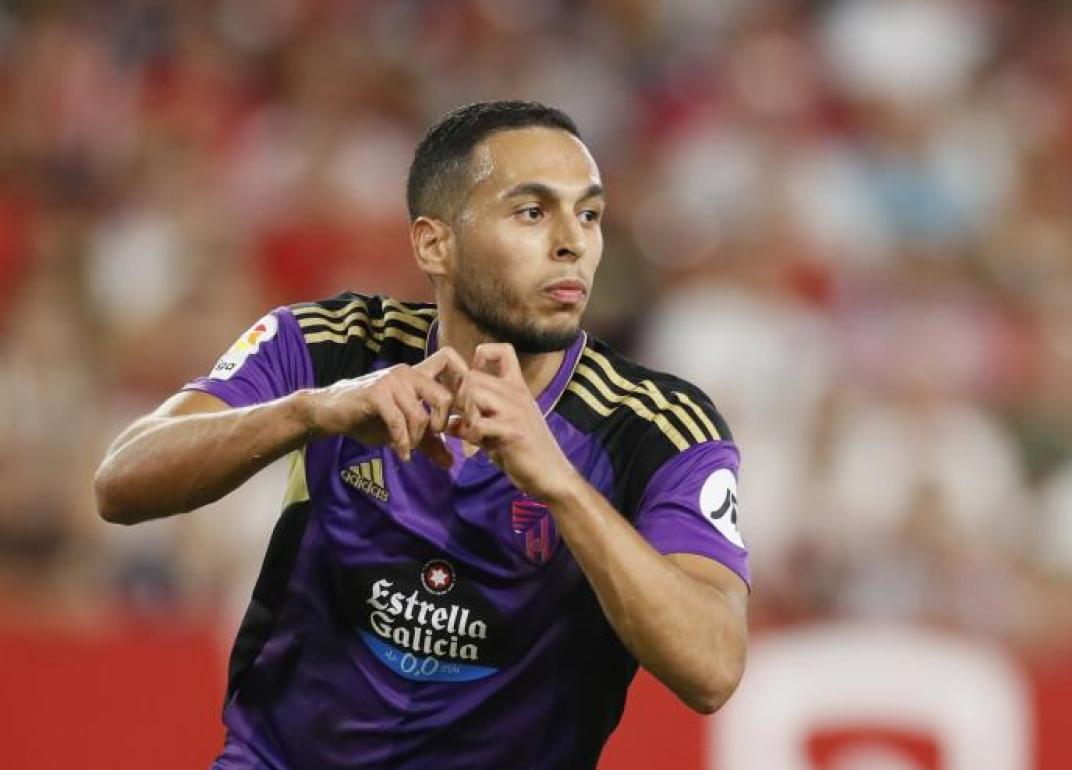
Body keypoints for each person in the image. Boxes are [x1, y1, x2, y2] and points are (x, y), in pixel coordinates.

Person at [93, 100, 750, 769]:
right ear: (434, 243)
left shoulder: (657, 426)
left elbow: (713, 668)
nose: (573, 242)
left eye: (589, 214)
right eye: (532, 211)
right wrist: (309, 413)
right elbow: (120, 482)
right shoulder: (333, 345)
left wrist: (561, 485)